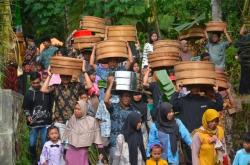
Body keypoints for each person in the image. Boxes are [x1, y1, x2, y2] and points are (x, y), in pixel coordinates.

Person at [40, 60, 91, 136]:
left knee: (71, 146)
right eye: (63, 76)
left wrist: (84, 71)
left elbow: (89, 85)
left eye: (68, 76)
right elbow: (43, 89)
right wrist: (49, 75)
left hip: (73, 120)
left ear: (71, 76)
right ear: (60, 76)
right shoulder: (56, 87)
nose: (66, 78)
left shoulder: (76, 85)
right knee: (60, 146)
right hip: (59, 121)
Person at [22, 72, 53, 165]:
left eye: (37, 82)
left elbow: (51, 104)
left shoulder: (46, 91)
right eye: (33, 83)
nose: (36, 84)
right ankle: (33, 159)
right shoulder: (28, 93)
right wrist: (28, 116)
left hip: (45, 123)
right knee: (32, 144)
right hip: (33, 124)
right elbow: (26, 108)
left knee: (45, 144)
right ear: (30, 82)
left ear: (40, 81)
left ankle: (44, 161)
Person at [104, 76, 134, 163]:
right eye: (125, 96)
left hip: (127, 145)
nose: (126, 98)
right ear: (120, 97)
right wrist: (110, 85)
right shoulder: (114, 107)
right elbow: (106, 101)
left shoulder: (134, 111)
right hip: (114, 144)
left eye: (129, 96)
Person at [62, 100, 103, 165]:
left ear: (84, 109)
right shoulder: (72, 119)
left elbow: (97, 136)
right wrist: (64, 150)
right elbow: (66, 136)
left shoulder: (91, 121)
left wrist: (100, 150)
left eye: (79, 109)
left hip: (83, 151)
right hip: (71, 150)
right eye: (75, 109)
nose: (76, 111)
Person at [235, 25, 250, 95]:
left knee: (244, 76)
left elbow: (236, 46)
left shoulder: (241, 39)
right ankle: (245, 91)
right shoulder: (244, 38)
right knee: (246, 76)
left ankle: (243, 91)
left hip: (244, 61)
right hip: (246, 60)